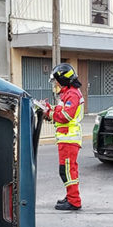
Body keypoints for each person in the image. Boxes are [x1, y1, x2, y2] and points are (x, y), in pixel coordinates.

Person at [45, 63, 84, 211]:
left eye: (56, 81)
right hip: (66, 139)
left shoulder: (72, 94)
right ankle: (71, 195)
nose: (55, 84)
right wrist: (49, 109)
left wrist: (49, 113)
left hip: (69, 139)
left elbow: (66, 116)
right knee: (67, 170)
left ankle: (74, 201)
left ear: (63, 79)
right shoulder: (68, 93)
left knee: (67, 171)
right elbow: (61, 110)